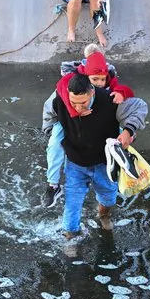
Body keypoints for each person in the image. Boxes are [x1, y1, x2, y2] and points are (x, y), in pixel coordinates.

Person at [42, 73, 148, 238]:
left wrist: (128, 130)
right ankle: (71, 236)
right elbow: (49, 114)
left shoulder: (109, 100)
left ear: (92, 92)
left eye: (83, 103)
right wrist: (51, 131)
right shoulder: (59, 99)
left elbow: (139, 107)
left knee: (108, 199)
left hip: (104, 164)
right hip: (75, 163)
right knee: (72, 205)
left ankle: (103, 216)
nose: (78, 108)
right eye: (73, 103)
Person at [42, 48, 134, 208]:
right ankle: (53, 185)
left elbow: (126, 93)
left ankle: (121, 172)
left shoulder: (107, 83)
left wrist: (121, 93)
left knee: (121, 140)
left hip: (98, 127)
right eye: (94, 79)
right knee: (54, 144)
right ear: (85, 77)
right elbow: (53, 103)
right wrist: (74, 112)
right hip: (68, 124)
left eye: (102, 80)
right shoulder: (72, 82)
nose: (98, 84)